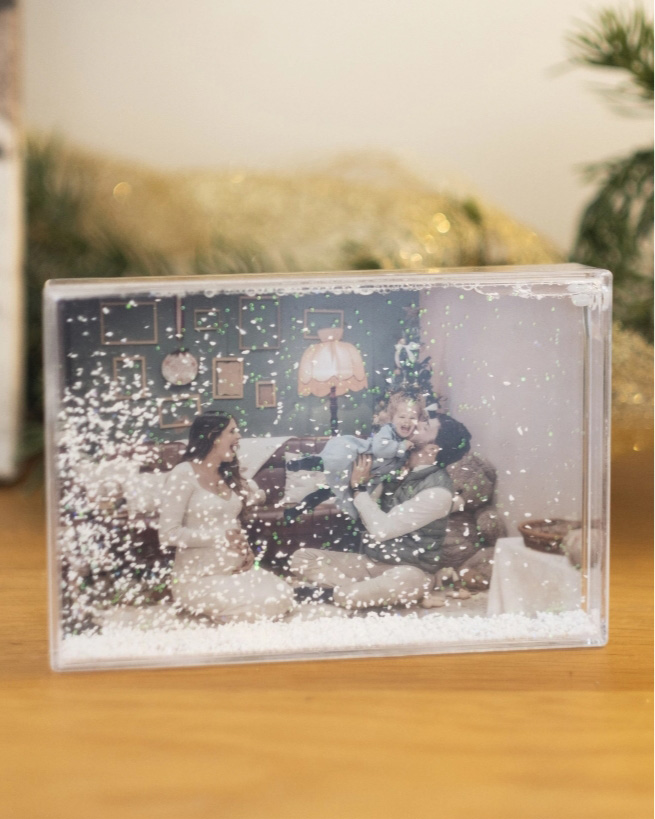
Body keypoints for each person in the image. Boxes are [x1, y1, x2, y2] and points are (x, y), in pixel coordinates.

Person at [289, 413, 479, 610]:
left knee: (406, 581)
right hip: (372, 561)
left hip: (410, 570)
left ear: (432, 449)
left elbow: (382, 530)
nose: (416, 424)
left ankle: (330, 593)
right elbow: (364, 511)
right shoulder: (395, 463)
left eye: (425, 427)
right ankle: (354, 592)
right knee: (301, 558)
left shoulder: (438, 492)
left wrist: (359, 488)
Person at [159, 412, 294, 621]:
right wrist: (221, 538)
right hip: (199, 578)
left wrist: (246, 551)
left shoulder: (227, 474)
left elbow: (230, 523)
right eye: (232, 431)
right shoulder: (183, 474)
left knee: (283, 595)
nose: (238, 437)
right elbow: (168, 535)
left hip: (235, 572)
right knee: (264, 605)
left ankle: (229, 612)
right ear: (213, 436)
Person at [285, 392, 421, 522]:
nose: (407, 421)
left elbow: (392, 471)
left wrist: (399, 472)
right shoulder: (388, 431)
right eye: (402, 417)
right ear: (392, 419)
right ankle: (303, 463)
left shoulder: (409, 447)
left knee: (326, 494)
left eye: (412, 418)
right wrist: (401, 446)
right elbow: (380, 449)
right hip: (354, 458)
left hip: (361, 477)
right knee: (328, 463)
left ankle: (296, 511)